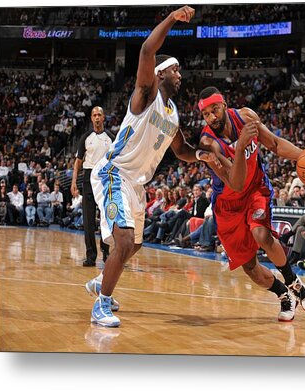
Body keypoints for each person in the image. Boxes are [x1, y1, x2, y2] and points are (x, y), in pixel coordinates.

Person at [84, 6, 220, 327]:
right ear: (160, 73)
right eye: (176, 71)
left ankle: (101, 282)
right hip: (114, 173)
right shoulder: (146, 94)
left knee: (137, 244)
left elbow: (183, 150)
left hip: (137, 183)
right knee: (125, 241)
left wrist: (205, 156)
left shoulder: (172, 114)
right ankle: (101, 304)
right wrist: (173, 18)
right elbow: (147, 49)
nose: (180, 75)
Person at [197, 85, 305, 322]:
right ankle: (283, 294)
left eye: (215, 110)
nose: (212, 117)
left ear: (224, 104)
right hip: (229, 202)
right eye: (206, 114)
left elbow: (274, 143)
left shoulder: (247, 117)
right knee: (250, 268)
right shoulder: (208, 144)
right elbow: (236, 182)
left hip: (255, 190)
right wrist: (240, 146)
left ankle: (293, 281)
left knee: (261, 234)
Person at [72, 106, 114, 267]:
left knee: (106, 217)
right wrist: (74, 181)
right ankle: (90, 255)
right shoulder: (85, 138)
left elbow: (117, 159)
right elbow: (78, 162)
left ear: (104, 118)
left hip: (105, 178)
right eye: (94, 115)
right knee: (88, 220)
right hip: (88, 179)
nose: (97, 118)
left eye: (99, 115)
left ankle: (106, 252)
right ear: (91, 118)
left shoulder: (111, 137)